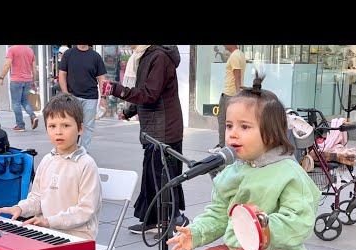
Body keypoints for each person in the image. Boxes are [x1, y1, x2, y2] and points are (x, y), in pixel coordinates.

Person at [164, 72, 321, 250]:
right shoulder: (232, 171)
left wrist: (264, 225)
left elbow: (300, 222)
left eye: (244, 127)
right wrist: (195, 233)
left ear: (271, 133)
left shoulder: (289, 173)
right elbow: (217, 215)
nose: (233, 133)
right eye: (229, 126)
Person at [0, 93, 102, 250]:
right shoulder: (48, 160)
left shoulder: (86, 164)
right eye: (52, 125)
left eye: (65, 125)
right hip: (47, 230)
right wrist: (20, 208)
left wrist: (49, 221)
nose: (58, 131)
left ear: (80, 128)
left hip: (79, 235)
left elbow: (85, 211)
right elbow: (37, 198)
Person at [101, 45, 189, 235]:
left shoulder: (159, 56)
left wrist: (117, 90)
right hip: (156, 126)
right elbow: (147, 91)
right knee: (152, 176)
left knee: (163, 175)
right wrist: (129, 111)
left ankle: (174, 219)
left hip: (164, 128)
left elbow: (150, 94)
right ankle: (153, 221)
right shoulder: (145, 55)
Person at [59, 45, 108, 152]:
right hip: (72, 97)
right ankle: (70, 149)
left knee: (88, 126)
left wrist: (103, 97)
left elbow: (102, 79)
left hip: (91, 97)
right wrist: (65, 93)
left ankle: (84, 152)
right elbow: (62, 74)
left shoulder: (95, 56)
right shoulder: (68, 54)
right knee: (71, 124)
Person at [208, 45, 246, 154]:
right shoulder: (240, 54)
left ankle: (222, 146)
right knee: (230, 122)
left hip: (230, 95)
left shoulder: (234, 56)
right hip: (232, 94)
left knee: (223, 121)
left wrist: (238, 95)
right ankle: (226, 146)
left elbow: (237, 76)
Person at [0, 45, 39, 132]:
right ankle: (33, 116)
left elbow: (7, 65)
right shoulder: (30, 50)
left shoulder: (12, 50)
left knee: (16, 103)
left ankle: (20, 125)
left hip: (16, 80)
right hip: (27, 80)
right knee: (24, 100)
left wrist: (1, 77)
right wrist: (33, 81)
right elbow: (34, 68)